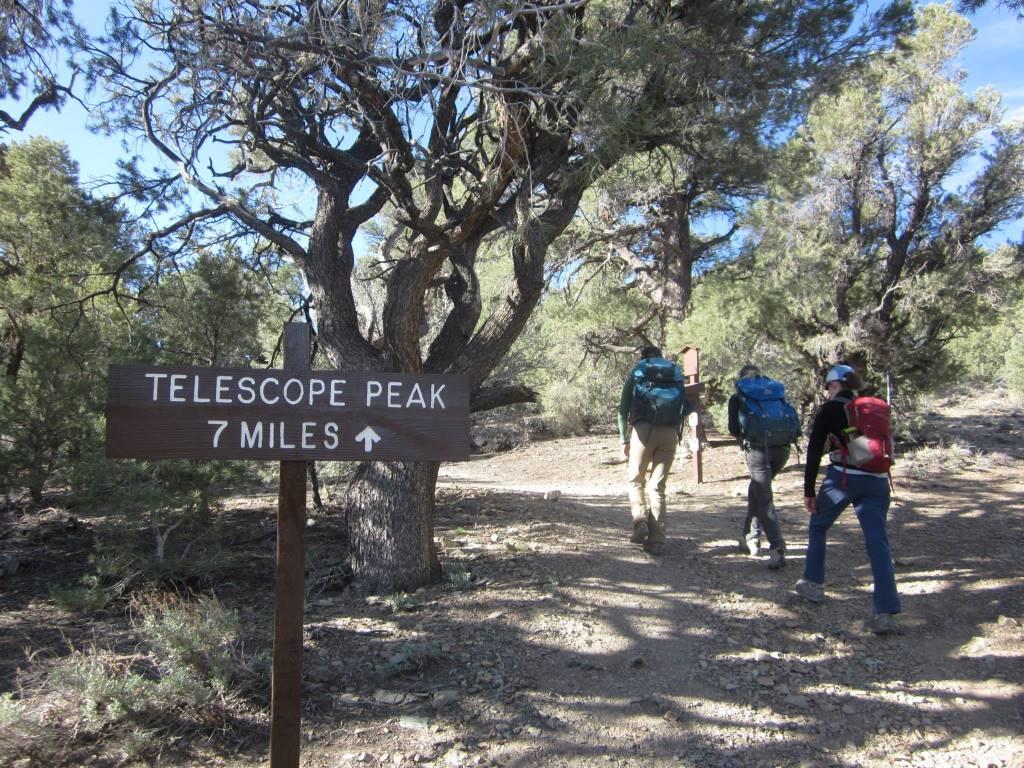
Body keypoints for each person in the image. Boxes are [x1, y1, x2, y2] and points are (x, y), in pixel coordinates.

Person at [795, 364, 901, 635]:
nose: (827, 392)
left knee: (818, 526)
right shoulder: (870, 408)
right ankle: (886, 611)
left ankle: (813, 584)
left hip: (843, 478)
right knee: (877, 542)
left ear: (833, 385)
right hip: (877, 481)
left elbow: (815, 449)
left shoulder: (830, 409)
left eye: (828, 387)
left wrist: (809, 490)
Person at [617, 346, 692, 556]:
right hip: (670, 432)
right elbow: (685, 405)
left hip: (643, 432)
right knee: (657, 486)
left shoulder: (638, 372)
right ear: (660, 357)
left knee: (635, 479)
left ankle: (640, 521)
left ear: (643, 359)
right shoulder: (674, 373)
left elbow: (623, 410)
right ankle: (657, 539)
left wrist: (624, 439)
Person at [728, 364, 789, 569]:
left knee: (764, 498)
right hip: (783, 449)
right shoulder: (773, 392)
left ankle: (777, 547)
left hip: (758, 450)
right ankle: (750, 538)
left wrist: (744, 439)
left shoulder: (738, 398)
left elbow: (733, 428)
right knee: (757, 490)